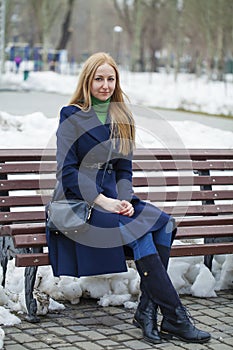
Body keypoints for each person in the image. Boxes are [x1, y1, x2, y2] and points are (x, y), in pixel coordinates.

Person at [46, 52, 211, 345]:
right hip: (81, 205)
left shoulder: (121, 115)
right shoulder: (70, 115)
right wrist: (103, 201)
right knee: (139, 233)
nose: (105, 85)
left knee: (165, 225)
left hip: (112, 200)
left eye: (111, 79)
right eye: (99, 79)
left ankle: (147, 312)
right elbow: (67, 172)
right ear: (87, 81)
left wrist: (124, 199)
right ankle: (175, 317)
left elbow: (124, 167)